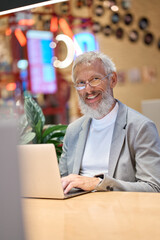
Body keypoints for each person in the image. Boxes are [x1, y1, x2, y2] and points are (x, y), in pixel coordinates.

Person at [59, 51, 160, 194]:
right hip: (76, 209)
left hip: (120, 211)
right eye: (81, 83)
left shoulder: (140, 128)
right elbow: (62, 179)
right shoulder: (73, 130)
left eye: (95, 79)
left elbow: (154, 187)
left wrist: (98, 183)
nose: (88, 89)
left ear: (112, 79)